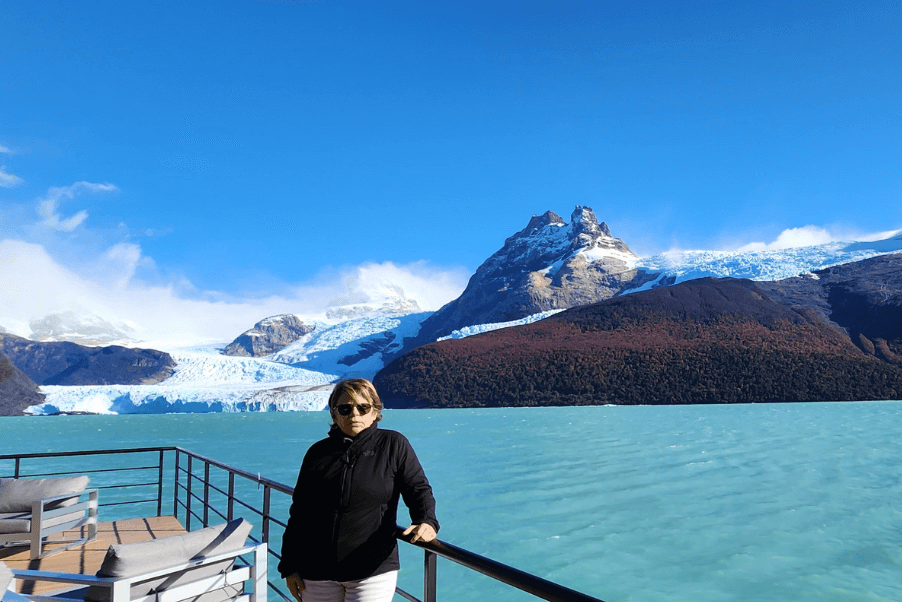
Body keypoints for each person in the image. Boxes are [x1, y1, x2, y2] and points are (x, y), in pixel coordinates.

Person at [278, 378, 439, 602]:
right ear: (334, 414)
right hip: (315, 571)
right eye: (345, 408)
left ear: (375, 412)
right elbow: (300, 513)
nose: (354, 414)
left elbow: (418, 488)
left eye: (363, 407)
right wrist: (289, 565)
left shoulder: (393, 444)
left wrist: (427, 521)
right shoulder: (317, 453)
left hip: (372, 569)